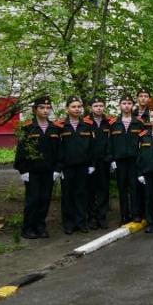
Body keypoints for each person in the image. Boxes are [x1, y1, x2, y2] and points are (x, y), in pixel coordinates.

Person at [13, 96, 60, 239]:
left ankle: (40, 226)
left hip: (48, 171)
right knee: (32, 200)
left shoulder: (54, 128)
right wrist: (23, 170)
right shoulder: (27, 128)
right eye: (42, 108)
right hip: (32, 171)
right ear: (35, 110)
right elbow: (21, 150)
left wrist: (57, 169)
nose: (45, 111)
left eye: (48, 108)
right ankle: (28, 227)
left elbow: (59, 151)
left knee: (45, 199)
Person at [56, 95, 95, 234]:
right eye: (73, 106)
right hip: (67, 167)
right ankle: (69, 224)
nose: (77, 109)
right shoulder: (60, 126)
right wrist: (58, 167)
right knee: (67, 196)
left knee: (81, 195)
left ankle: (81, 222)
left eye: (79, 106)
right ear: (67, 109)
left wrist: (91, 164)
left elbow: (91, 146)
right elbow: (57, 148)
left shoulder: (87, 125)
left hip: (83, 166)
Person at [108, 94, 146, 224]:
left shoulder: (139, 123)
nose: (126, 106)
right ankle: (124, 215)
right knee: (122, 188)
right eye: (124, 103)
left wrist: (141, 159)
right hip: (119, 161)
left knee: (134, 187)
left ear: (132, 106)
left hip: (134, 160)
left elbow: (143, 142)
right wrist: (112, 160)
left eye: (129, 103)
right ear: (120, 105)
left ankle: (136, 214)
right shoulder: (113, 123)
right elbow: (110, 143)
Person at [85, 97, 112, 230]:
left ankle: (102, 217)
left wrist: (110, 158)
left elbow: (111, 142)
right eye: (96, 106)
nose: (99, 108)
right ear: (91, 108)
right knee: (90, 190)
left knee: (103, 189)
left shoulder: (108, 122)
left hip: (104, 162)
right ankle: (92, 218)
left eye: (101, 105)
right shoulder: (85, 122)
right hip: (90, 163)